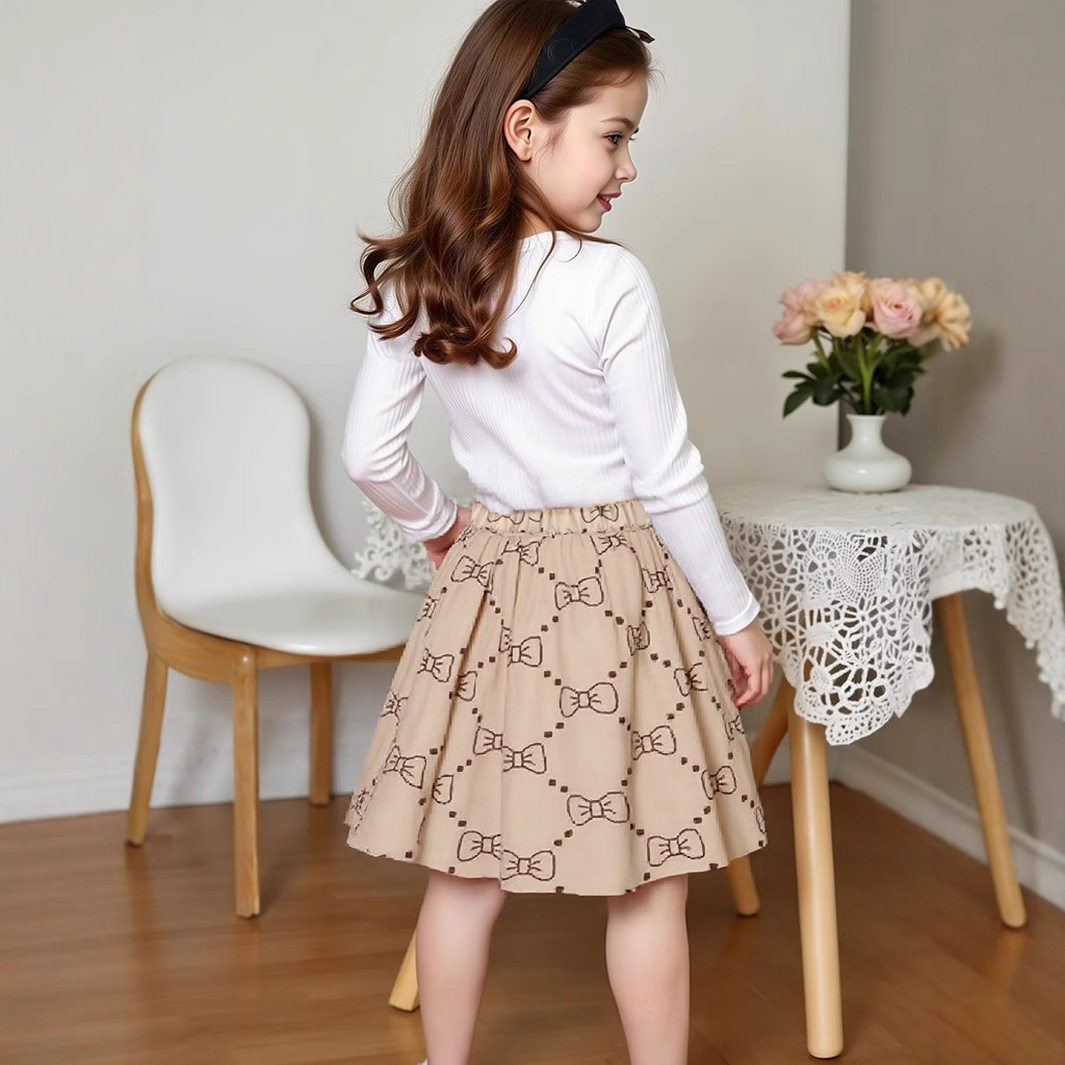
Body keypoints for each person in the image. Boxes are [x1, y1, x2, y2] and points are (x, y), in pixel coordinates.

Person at [341, 2, 775, 1063]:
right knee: (649, 874)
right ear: (525, 129)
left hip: (490, 581)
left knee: (463, 867)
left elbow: (369, 456)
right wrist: (736, 616)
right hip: (619, 588)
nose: (627, 167)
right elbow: (667, 477)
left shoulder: (421, 278)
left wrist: (442, 525)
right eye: (614, 137)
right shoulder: (608, 280)